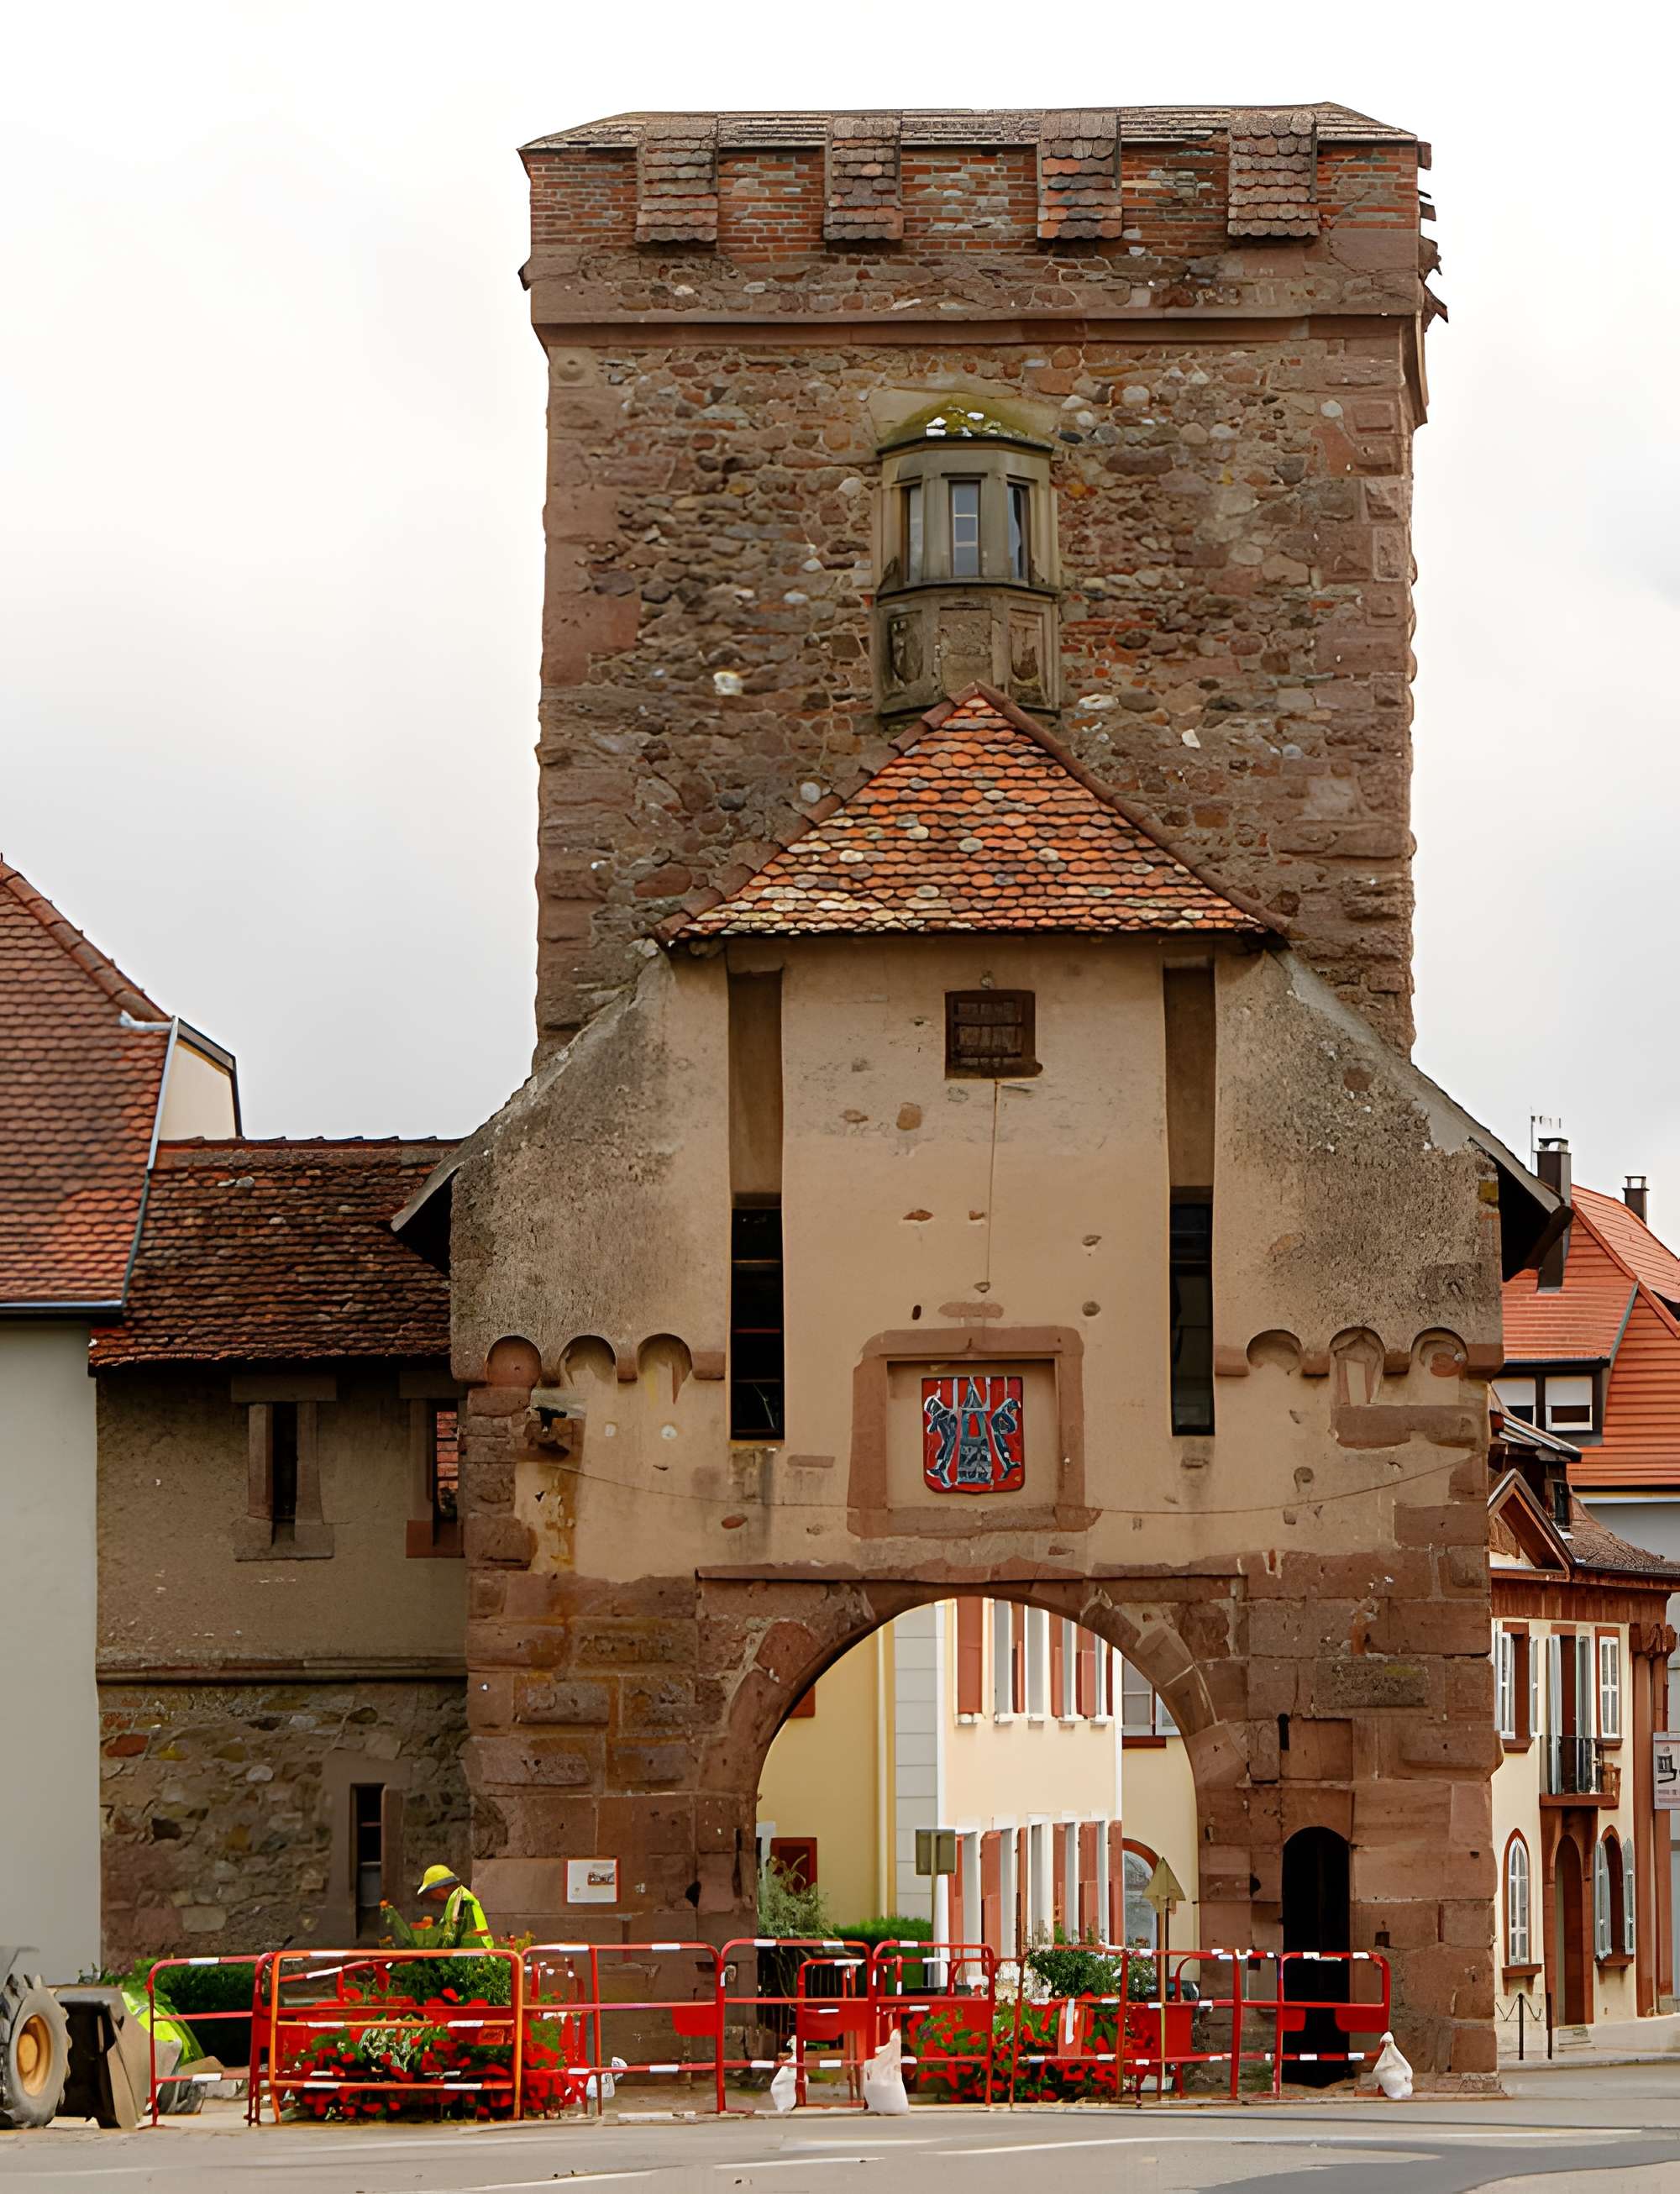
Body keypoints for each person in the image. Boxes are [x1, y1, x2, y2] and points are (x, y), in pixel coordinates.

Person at [416, 1863, 492, 1945]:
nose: (430, 1896)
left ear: (442, 1887)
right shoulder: (457, 1898)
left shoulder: (462, 1899)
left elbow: (453, 1930)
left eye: (431, 1892)